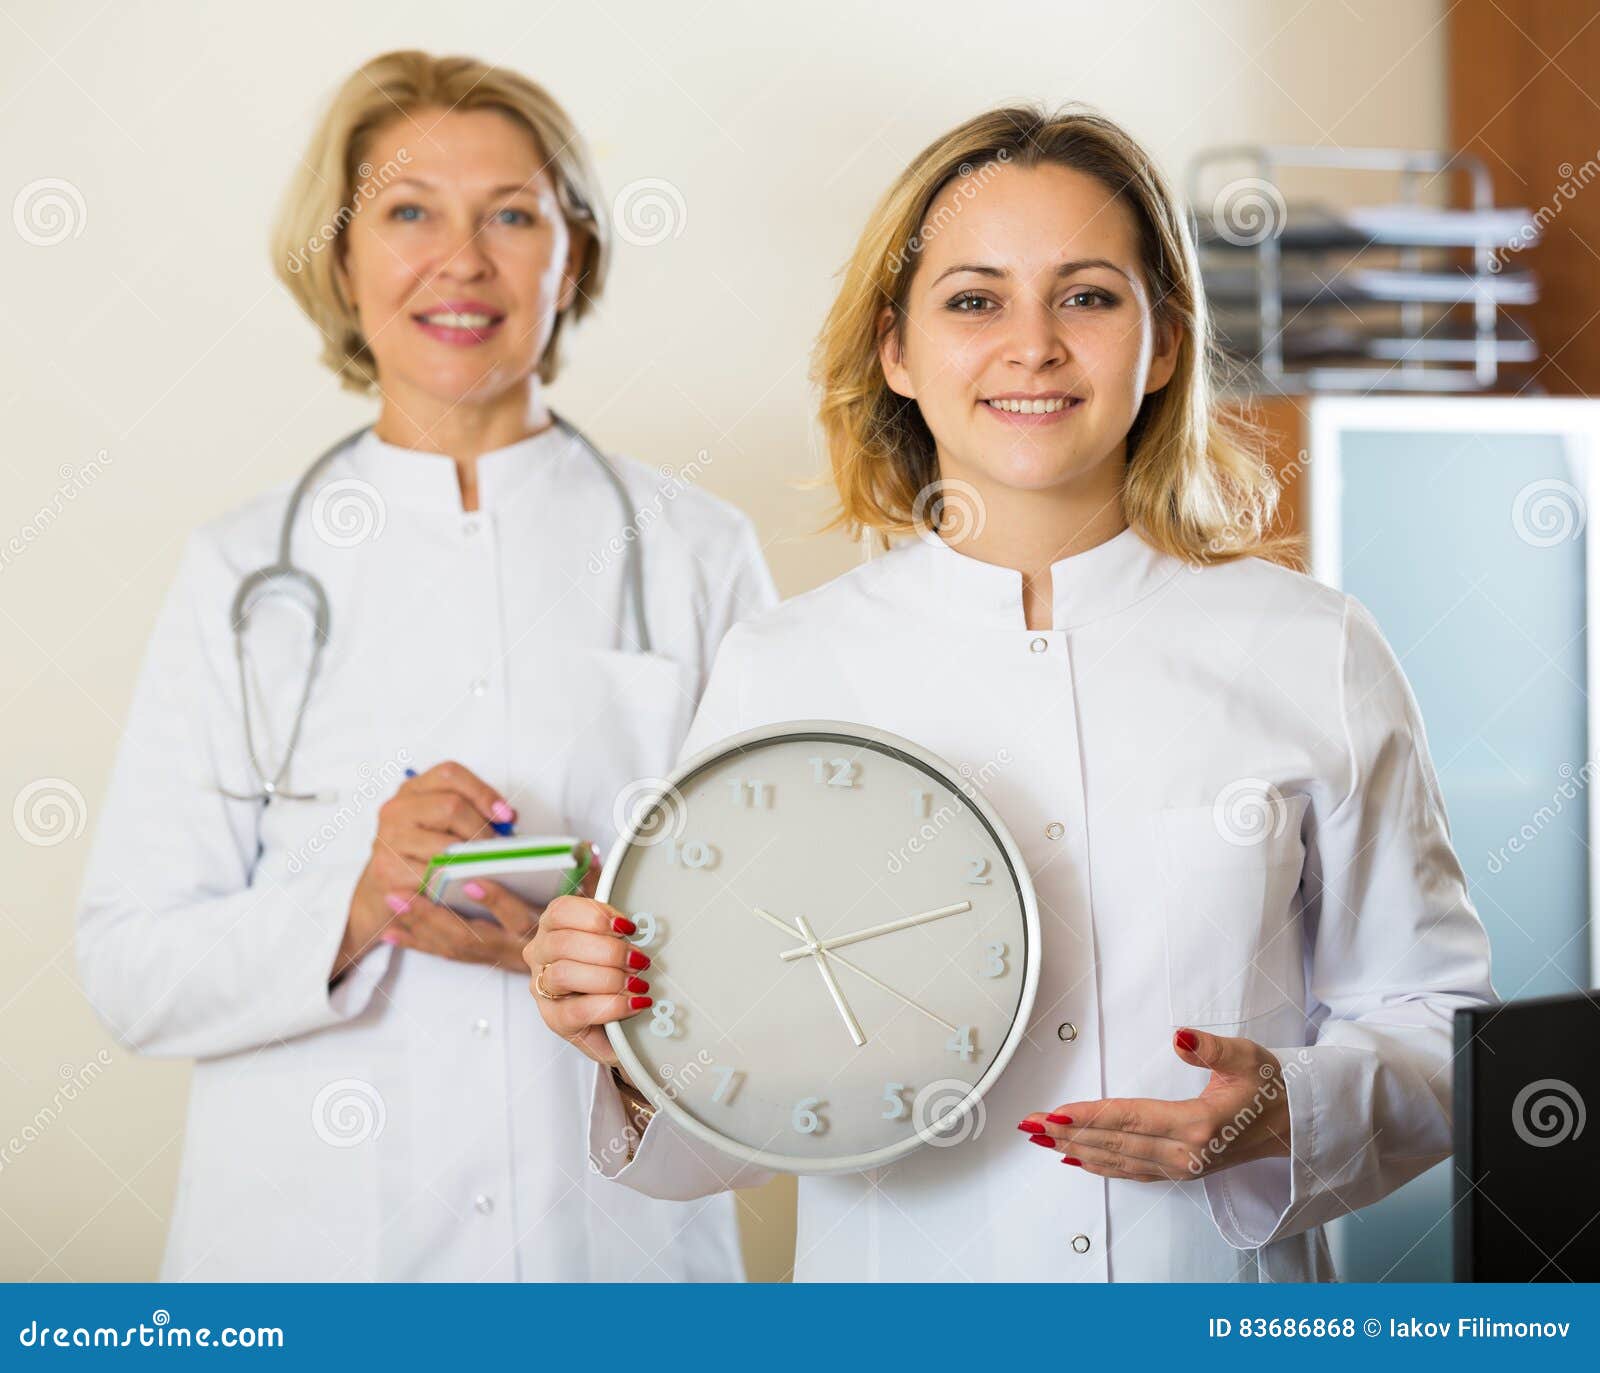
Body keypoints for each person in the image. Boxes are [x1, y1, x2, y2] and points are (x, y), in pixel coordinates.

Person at [522, 104, 1497, 1282]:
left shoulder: (1311, 647)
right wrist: (627, 1039)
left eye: (1086, 295)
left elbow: (1443, 1025)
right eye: (974, 300)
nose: (1032, 345)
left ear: (1164, 341)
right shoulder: (786, 664)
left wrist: (1285, 1107)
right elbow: (737, 1094)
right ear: (895, 348)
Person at [75, 49, 773, 1281]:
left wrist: (610, 931)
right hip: (311, 1261)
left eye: (511, 215)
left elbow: (782, 949)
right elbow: (132, 970)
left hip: (608, 1259)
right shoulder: (242, 570)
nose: (462, 260)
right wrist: (357, 902)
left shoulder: (697, 550)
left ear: (574, 256)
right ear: (340, 259)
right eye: (408, 213)